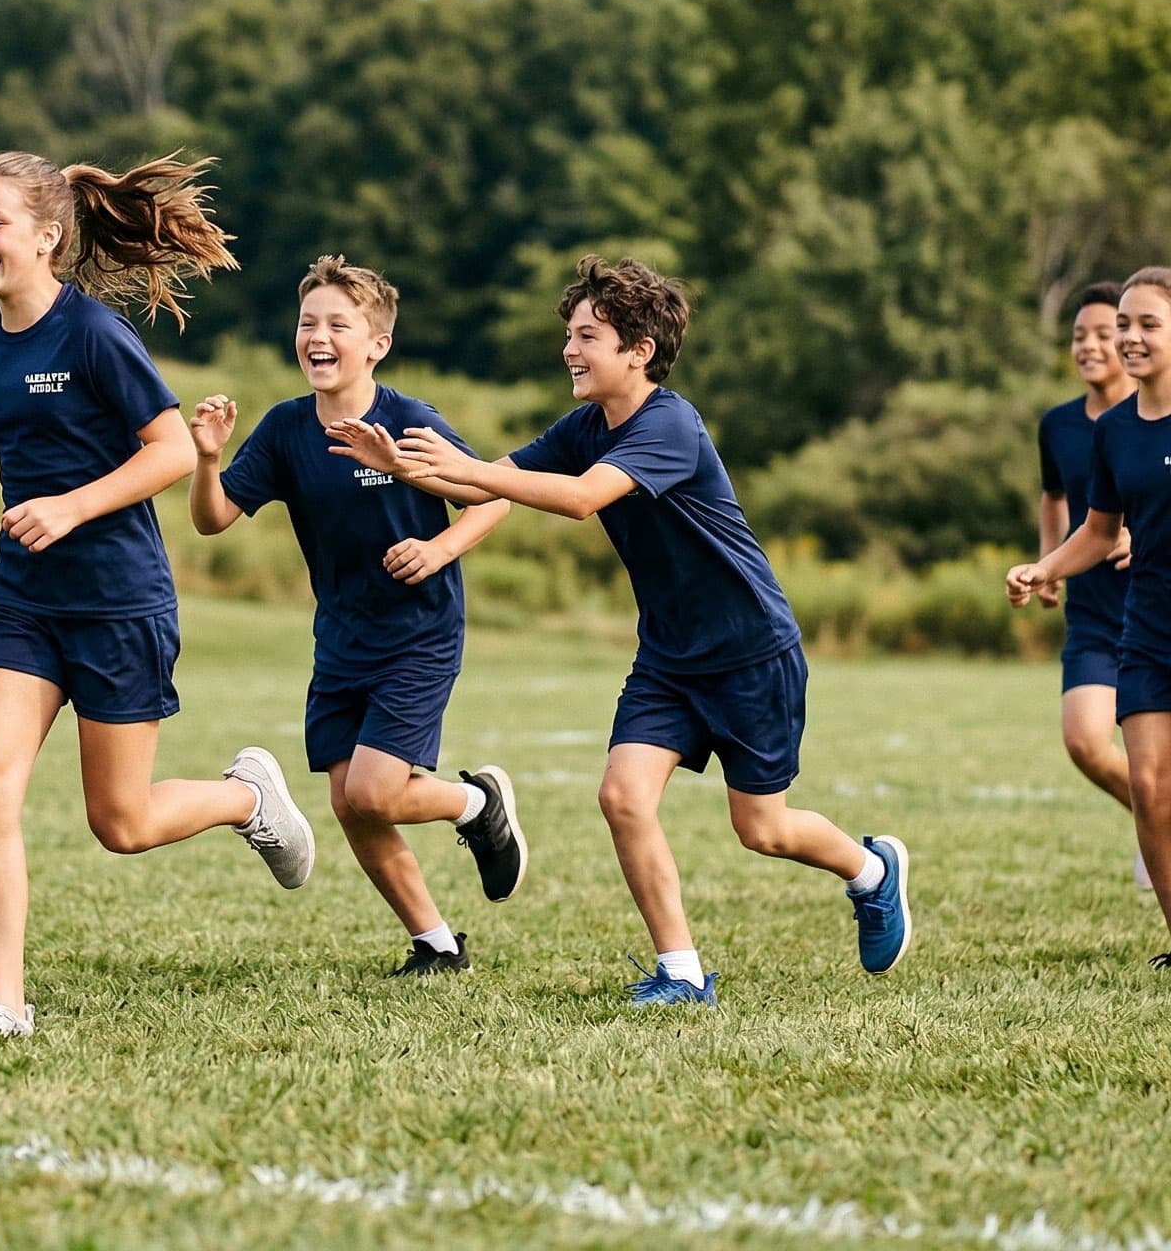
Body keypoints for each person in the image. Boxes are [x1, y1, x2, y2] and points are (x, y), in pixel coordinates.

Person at [0, 151, 314, 1040]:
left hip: (120, 606)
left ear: (47, 235)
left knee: (122, 822)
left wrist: (71, 506)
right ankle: (5, 1004)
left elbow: (170, 452)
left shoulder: (94, 336)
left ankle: (246, 797)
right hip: (24, 607)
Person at [330, 255, 911, 1006]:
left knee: (762, 829)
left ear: (639, 350)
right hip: (668, 657)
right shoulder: (585, 426)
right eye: (570, 334)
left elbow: (578, 499)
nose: (570, 350)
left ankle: (871, 873)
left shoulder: (669, 423)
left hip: (750, 654)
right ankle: (682, 973)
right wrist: (410, 470)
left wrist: (462, 467)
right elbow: (486, 479)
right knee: (623, 796)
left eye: (588, 336)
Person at [189, 255, 524, 977]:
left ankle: (476, 803)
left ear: (376, 344)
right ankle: (435, 944)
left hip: (419, 633)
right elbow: (214, 520)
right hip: (341, 637)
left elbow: (491, 496)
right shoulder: (284, 430)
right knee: (350, 804)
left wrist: (438, 551)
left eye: (339, 324)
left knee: (373, 791)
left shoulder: (409, 420)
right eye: (308, 322)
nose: (318, 335)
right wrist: (208, 459)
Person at [1009, 260, 1171, 968]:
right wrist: (1043, 567)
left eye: (1148, 324)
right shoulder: (1112, 431)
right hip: (1146, 633)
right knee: (1151, 788)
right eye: (1124, 324)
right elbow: (1096, 529)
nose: (1130, 337)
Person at [1034, 283, 1171, 911]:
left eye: (1105, 331)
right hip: (1097, 614)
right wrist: (1048, 566)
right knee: (1089, 744)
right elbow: (1066, 505)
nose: (1094, 345)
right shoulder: (1070, 427)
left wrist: (1147, 538)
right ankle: (1156, 826)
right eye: (1082, 334)